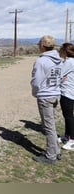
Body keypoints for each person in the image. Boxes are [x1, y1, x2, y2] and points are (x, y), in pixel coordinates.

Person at [30, 35, 62, 164]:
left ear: (42, 46)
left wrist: (35, 92)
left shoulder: (41, 61)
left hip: (45, 95)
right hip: (55, 94)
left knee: (48, 127)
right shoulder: (58, 60)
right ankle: (56, 150)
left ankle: (51, 156)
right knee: (51, 126)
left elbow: (36, 81)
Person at [58, 42, 74, 151]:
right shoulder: (71, 61)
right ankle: (67, 135)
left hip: (67, 92)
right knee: (67, 115)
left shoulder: (69, 62)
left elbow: (59, 74)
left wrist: (61, 77)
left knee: (68, 116)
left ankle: (72, 140)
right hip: (69, 91)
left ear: (65, 51)